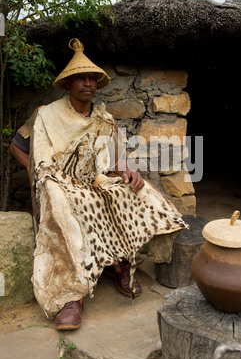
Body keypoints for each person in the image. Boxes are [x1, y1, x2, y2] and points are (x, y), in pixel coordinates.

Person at [10, 38, 188, 331]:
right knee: (61, 202)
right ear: (69, 83)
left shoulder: (104, 119)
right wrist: (39, 175)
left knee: (140, 193)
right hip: (58, 182)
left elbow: (116, 159)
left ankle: (119, 265)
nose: (88, 83)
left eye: (92, 78)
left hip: (94, 182)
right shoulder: (47, 114)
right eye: (81, 78)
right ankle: (70, 294)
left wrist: (129, 171)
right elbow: (17, 146)